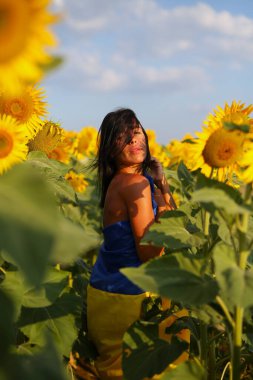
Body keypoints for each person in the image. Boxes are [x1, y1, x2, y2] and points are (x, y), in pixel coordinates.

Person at [86, 108, 189, 380]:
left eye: (137, 132)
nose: (134, 140)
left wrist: (161, 183)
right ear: (110, 149)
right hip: (133, 299)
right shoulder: (133, 184)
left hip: (108, 294)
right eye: (124, 136)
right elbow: (152, 253)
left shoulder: (120, 182)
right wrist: (161, 197)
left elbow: (172, 221)